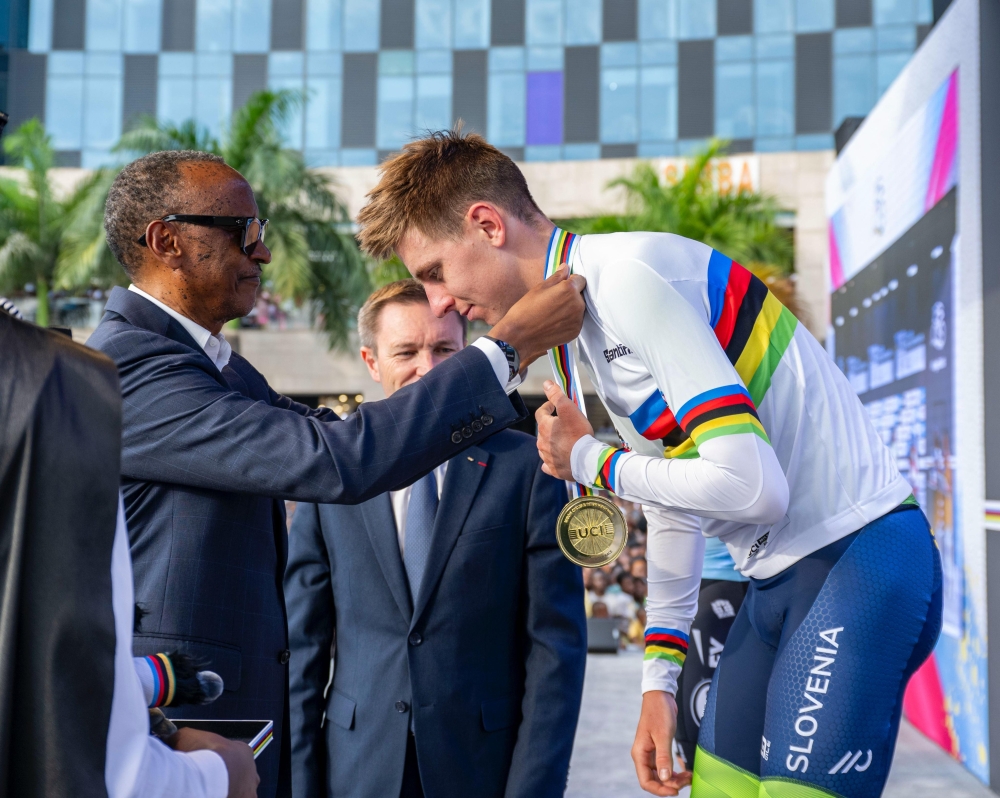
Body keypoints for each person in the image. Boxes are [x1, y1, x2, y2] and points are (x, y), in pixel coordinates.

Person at [355, 130, 942, 798]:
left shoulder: (627, 277)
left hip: (857, 558)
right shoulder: (586, 314)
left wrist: (590, 460)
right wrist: (659, 682)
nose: (438, 300)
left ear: (486, 224)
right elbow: (676, 498)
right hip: (777, 583)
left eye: (434, 272)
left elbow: (753, 487)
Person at [87, 150, 586, 798]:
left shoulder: (216, 369)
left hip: (238, 741)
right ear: (167, 242)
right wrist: (507, 347)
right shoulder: (136, 370)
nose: (262, 253)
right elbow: (339, 461)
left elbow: (340, 439)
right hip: (183, 737)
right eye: (246, 231)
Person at [285, 280, 586, 798]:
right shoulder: (331, 471)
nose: (427, 368)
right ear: (372, 361)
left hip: (480, 770)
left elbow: (555, 651)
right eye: (406, 351)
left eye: (444, 350)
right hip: (356, 769)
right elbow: (302, 648)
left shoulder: (527, 470)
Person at [0, 311, 257, 798]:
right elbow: (109, 769)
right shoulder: (53, 387)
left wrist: (143, 679)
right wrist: (224, 774)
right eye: (245, 231)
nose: (261, 250)